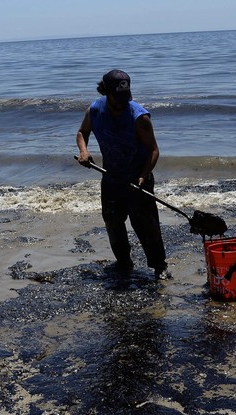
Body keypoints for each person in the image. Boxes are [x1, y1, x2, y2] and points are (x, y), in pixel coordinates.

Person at [76, 69, 171, 280]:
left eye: (125, 97)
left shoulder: (139, 116)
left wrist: (143, 176)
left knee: (146, 226)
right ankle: (123, 262)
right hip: (110, 178)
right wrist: (84, 151)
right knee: (113, 222)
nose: (122, 102)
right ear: (106, 92)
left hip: (138, 179)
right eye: (118, 98)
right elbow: (83, 132)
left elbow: (154, 150)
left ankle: (159, 266)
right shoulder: (94, 110)